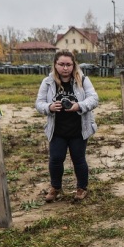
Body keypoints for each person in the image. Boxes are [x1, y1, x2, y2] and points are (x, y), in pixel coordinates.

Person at [35, 49, 99, 202]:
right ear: (55, 65)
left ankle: (81, 188)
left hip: (79, 129)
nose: (65, 68)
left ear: (74, 65)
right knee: (56, 159)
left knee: (78, 159)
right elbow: (38, 103)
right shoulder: (48, 82)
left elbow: (94, 98)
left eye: (68, 64)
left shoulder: (82, 80)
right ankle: (56, 187)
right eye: (61, 64)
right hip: (57, 130)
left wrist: (79, 106)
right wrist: (49, 107)